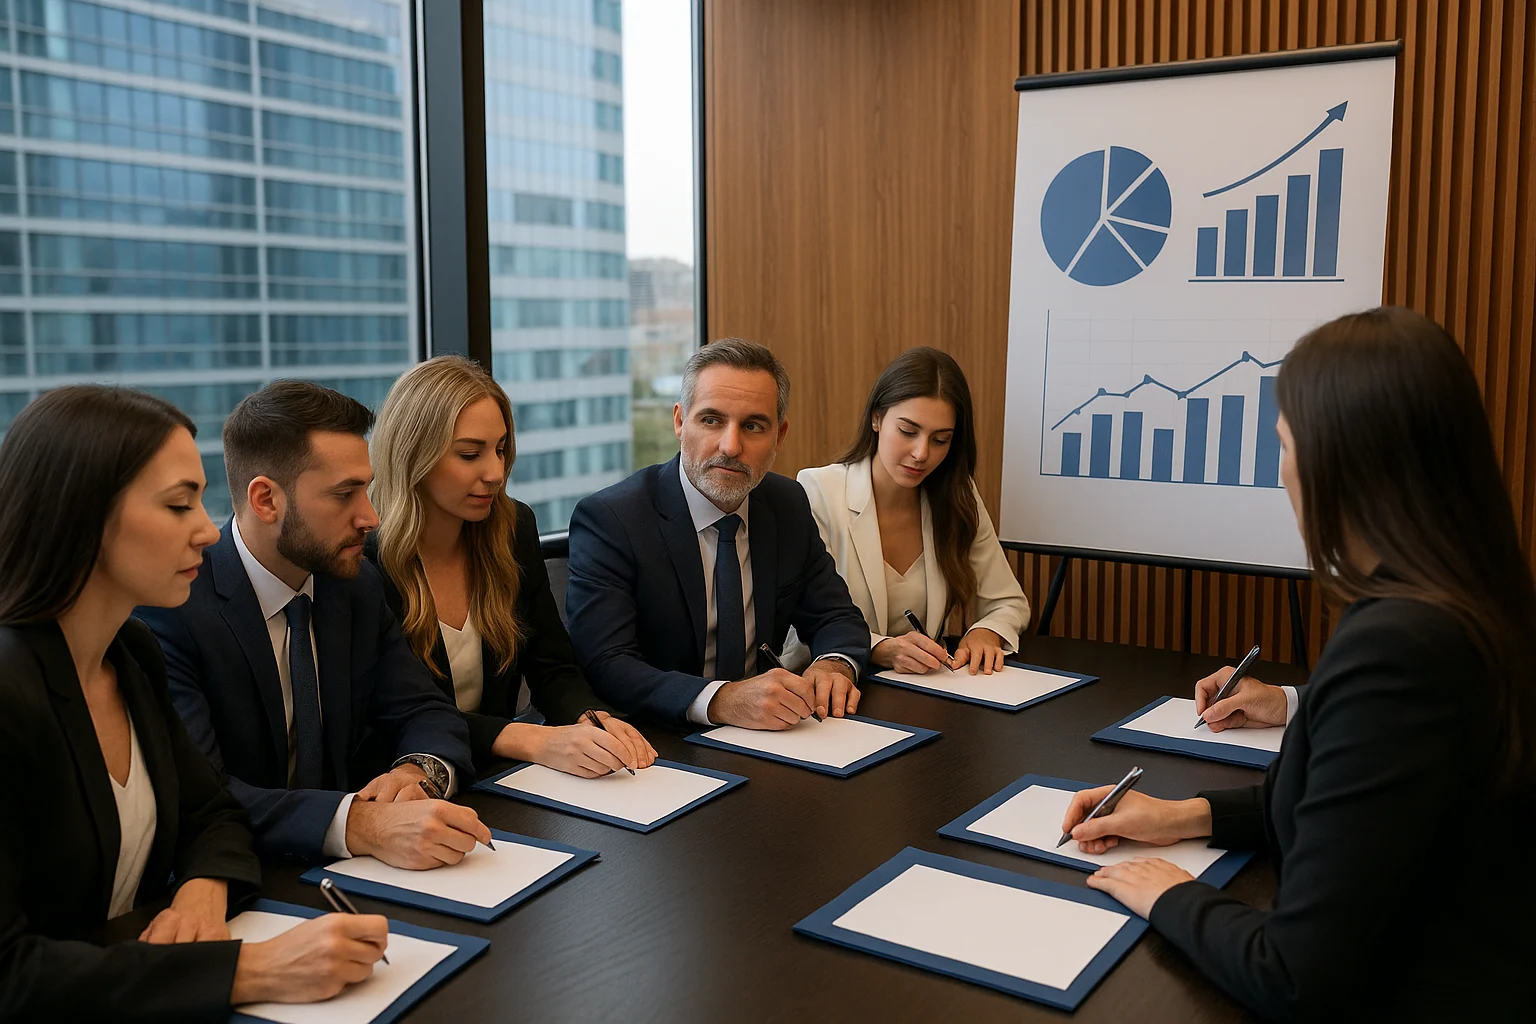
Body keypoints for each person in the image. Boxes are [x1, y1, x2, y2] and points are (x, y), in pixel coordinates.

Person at [1058, 307, 1534, 1019]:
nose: (1280, 473)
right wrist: (1182, 817)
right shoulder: (1470, 599)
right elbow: (1352, 813)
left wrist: (1169, 893)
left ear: (1344, 462)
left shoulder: (1399, 649)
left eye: (1284, 444)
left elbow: (1297, 976)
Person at [0, 387, 388, 1020]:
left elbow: (212, 813)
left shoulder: (129, 652)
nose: (209, 530)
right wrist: (254, 968)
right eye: (180, 505)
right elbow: (10, 975)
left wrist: (203, 893)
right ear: (82, 517)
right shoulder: (10, 692)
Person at [139, 382, 491, 868]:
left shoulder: (355, 585)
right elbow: (202, 792)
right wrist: (359, 823)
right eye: (345, 494)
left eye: (365, 489)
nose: (370, 517)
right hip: (234, 876)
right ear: (265, 500)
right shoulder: (172, 610)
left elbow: (424, 708)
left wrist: (420, 772)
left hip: (360, 871)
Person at [367, 356, 656, 776]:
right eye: (470, 454)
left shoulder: (513, 527)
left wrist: (590, 718)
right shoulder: (363, 558)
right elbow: (388, 716)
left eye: (501, 449)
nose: (496, 473)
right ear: (414, 455)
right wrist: (531, 739)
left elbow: (553, 667)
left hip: (501, 778)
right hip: (407, 787)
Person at [566, 338, 871, 728]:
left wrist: (834, 665)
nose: (730, 446)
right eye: (711, 420)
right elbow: (605, 662)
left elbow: (836, 615)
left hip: (769, 735)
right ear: (680, 421)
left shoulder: (786, 503)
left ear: (779, 436)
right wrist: (721, 700)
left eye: (753, 426)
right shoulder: (613, 519)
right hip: (654, 740)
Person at [788, 347, 1029, 675]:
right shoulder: (818, 491)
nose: (921, 453)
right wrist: (881, 649)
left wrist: (985, 632)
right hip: (837, 688)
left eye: (940, 440)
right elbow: (801, 626)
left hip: (926, 691)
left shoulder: (957, 496)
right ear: (876, 418)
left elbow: (1008, 602)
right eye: (908, 432)